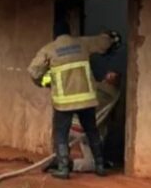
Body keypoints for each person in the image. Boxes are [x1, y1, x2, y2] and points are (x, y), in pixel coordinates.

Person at [28, 22, 120, 179]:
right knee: (92, 131)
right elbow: (102, 43)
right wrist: (111, 37)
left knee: (61, 133)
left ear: (55, 35)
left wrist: (44, 82)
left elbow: (34, 71)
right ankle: (99, 166)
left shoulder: (49, 49)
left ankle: (63, 168)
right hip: (87, 99)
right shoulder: (82, 43)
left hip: (65, 102)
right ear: (70, 34)